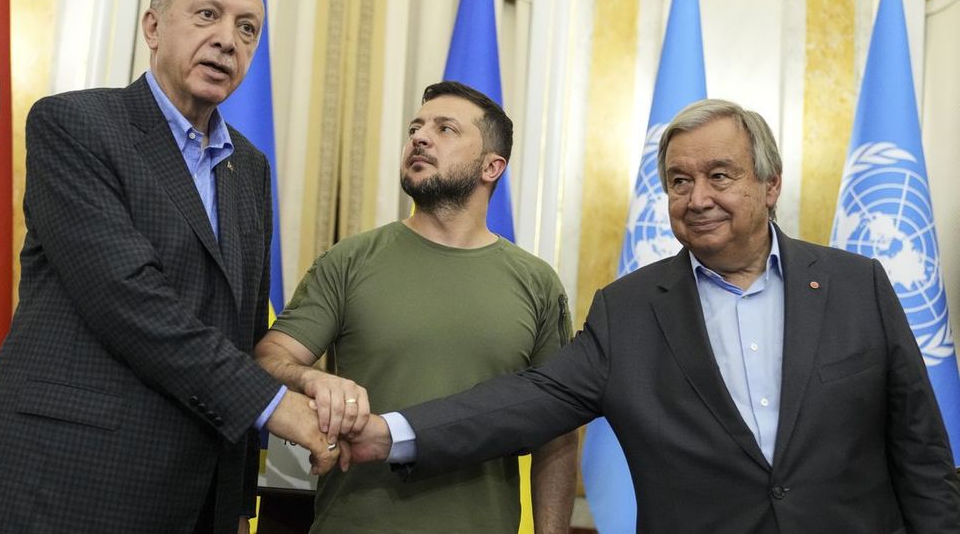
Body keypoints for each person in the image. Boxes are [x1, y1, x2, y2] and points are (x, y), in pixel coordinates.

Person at [345, 98, 960, 532]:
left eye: (720, 176)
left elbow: (923, 454)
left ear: (770, 185)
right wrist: (390, 433)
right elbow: (526, 401)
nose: (698, 199)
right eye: (679, 181)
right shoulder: (630, 311)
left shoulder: (857, 286)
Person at [0, 0, 339, 534]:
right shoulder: (75, 124)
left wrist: (243, 492)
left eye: (247, 28)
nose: (227, 40)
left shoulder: (249, 168)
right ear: (153, 28)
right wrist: (274, 406)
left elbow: (244, 328)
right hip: (65, 480)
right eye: (207, 15)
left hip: (196, 494)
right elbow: (128, 299)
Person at [256, 81, 577, 533]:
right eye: (415, 129)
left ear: (492, 167)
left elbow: (557, 429)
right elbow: (267, 360)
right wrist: (312, 378)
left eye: (445, 129)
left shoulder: (538, 283)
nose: (420, 138)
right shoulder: (349, 260)